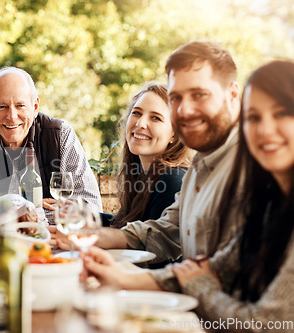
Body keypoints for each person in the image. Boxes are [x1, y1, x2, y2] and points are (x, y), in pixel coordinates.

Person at [79, 40, 242, 291]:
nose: (184, 110)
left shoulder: (250, 165)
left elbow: (222, 278)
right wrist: (97, 237)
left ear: (231, 94)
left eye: (199, 94)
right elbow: (166, 231)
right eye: (177, 97)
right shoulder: (201, 165)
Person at [171, 60, 294, 332]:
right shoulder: (269, 205)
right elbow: (212, 267)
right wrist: (117, 274)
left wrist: (201, 288)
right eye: (253, 117)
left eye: (282, 113)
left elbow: (267, 325)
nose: (264, 130)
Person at [0, 66, 102, 224]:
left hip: (48, 247)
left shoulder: (60, 135)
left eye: (20, 105)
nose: (12, 116)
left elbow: (92, 207)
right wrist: (15, 205)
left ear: (35, 107)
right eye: (2, 106)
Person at [101, 82, 193, 229]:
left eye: (155, 118)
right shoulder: (143, 173)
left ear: (175, 135)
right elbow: (129, 227)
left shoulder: (172, 181)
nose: (140, 124)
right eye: (137, 113)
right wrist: (82, 215)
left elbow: (147, 244)